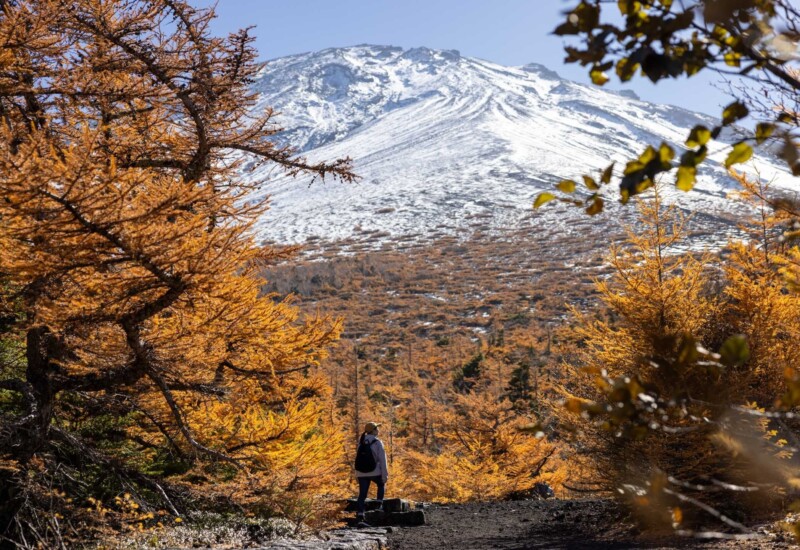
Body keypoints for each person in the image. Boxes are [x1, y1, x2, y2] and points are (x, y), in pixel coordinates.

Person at [355, 421, 388, 526]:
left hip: (361, 473)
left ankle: (360, 514)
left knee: (362, 494)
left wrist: (357, 474)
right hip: (374, 471)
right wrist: (384, 475)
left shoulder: (361, 442)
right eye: (376, 428)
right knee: (381, 484)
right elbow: (382, 460)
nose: (378, 430)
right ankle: (378, 505)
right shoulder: (377, 442)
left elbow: (358, 459)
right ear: (373, 431)